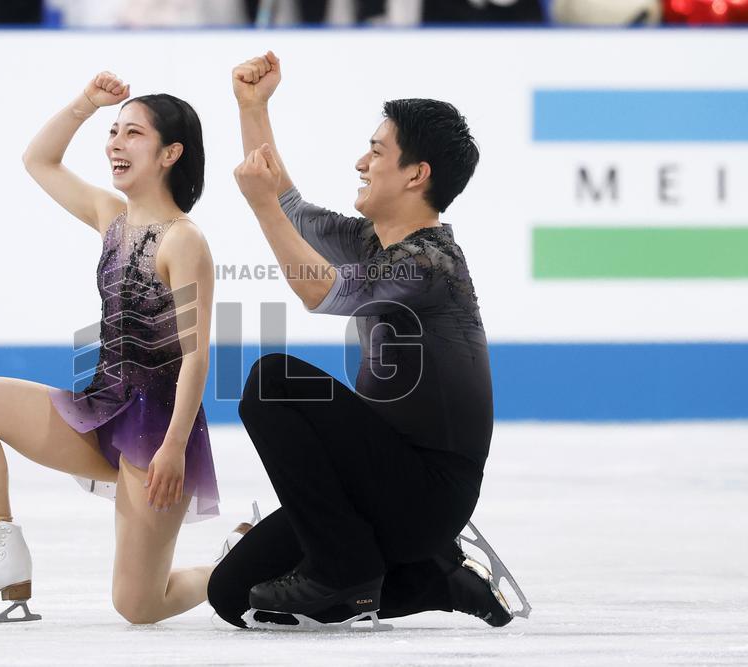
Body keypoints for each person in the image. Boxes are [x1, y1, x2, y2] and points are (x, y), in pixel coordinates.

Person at [207, 51, 530, 630]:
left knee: (274, 381)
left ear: (416, 174)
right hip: (381, 482)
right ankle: (438, 578)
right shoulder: (371, 241)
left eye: (376, 151)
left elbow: (320, 293)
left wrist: (259, 207)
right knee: (234, 593)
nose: (361, 162)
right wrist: (253, 109)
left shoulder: (432, 261)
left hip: (430, 491)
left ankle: (346, 570)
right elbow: (290, 208)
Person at [0, 71, 223, 624]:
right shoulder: (111, 217)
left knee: (138, 605)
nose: (115, 142)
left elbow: (196, 355)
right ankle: (2, 544)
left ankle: (234, 563)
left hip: (156, 434)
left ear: (170, 153)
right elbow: (39, 161)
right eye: (113, 132)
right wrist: (86, 103)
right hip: (98, 411)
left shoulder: (184, 239)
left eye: (132, 133)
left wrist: (174, 447)